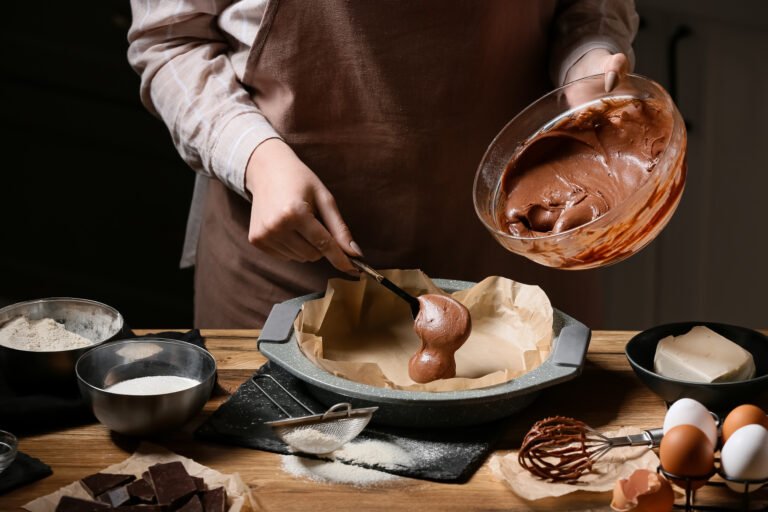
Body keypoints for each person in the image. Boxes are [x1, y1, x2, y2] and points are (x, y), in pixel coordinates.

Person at [128, 0, 639, 328]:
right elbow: (171, 42)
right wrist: (256, 159)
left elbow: (588, 6)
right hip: (287, 276)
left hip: (523, 258)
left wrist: (587, 60)